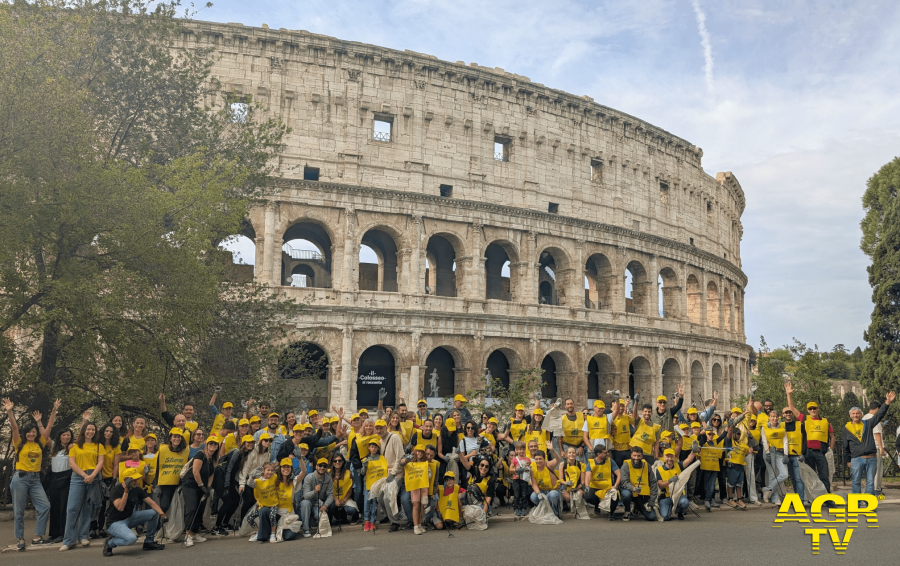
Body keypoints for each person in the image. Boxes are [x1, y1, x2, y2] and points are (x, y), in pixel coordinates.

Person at [4, 398, 56, 550]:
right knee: (18, 511)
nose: (31, 434)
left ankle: (38, 536)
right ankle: (20, 539)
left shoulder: (41, 442)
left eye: (33, 432)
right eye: (29, 432)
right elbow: (14, 428)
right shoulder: (19, 443)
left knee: (45, 506)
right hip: (20, 478)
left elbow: (50, 426)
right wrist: (9, 411)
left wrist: (53, 410)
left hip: (35, 479)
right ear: (25, 433)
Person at [102, 468, 167, 556]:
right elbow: (120, 507)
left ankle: (149, 542)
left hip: (130, 518)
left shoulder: (137, 489)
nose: (137, 481)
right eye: (135, 479)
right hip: (115, 523)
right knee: (131, 539)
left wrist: (162, 514)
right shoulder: (116, 490)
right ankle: (110, 543)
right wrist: (126, 491)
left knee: (154, 513)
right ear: (127, 480)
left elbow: (151, 503)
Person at [843, 391, 896, 494]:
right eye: (853, 413)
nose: (855, 415)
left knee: (870, 482)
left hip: (871, 458)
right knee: (855, 482)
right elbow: (845, 446)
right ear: (850, 415)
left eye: (857, 413)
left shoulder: (868, 423)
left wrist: (887, 402)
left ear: (861, 414)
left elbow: (879, 415)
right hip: (856, 459)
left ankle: (869, 504)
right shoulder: (846, 428)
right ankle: (856, 504)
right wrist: (848, 460)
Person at [213, 434, 257, 535]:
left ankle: (225, 523)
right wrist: (227, 485)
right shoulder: (237, 452)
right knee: (227, 501)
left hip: (229, 479)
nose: (250, 444)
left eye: (252, 442)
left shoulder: (247, 454)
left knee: (236, 501)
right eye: (248, 442)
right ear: (243, 443)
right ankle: (216, 526)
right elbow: (229, 468)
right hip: (221, 476)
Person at [182, 435, 219, 547]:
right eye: (211, 443)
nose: (212, 446)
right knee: (192, 509)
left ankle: (194, 533)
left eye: (215, 444)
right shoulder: (200, 454)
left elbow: (211, 474)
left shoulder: (213, 458)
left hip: (202, 487)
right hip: (191, 485)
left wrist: (208, 487)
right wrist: (202, 486)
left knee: (200, 510)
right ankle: (187, 535)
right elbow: (195, 472)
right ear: (207, 444)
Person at [92, 422, 121, 539]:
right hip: (96, 477)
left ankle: (101, 527)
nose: (108, 433)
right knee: (95, 503)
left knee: (104, 505)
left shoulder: (116, 447)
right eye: (106, 431)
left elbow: (116, 465)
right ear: (102, 432)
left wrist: (114, 479)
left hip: (109, 478)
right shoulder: (97, 445)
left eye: (111, 432)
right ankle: (92, 528)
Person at [152, 429, 189, 513]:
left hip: (179, 483)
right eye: (175, 436)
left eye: (179, 437)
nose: (177, 439)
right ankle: (158, 524)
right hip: (165, 483)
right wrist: (157, 484)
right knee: (164, 506)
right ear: (170, 438)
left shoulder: (185, 450)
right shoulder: (162, 449)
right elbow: (157, 466)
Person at [48, 426, 74, 543]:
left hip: (67, 478)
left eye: (68, 435)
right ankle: (54, 533)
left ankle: (63, 533)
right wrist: (39, 422)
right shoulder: (54, 447)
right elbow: (45, 435)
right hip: (54, 478)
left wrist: (84, 421)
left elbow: (81, 437)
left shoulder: (72, 448)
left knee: (64, 507)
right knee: (54, 506)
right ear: (59, 437)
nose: (66, 437)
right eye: (64, 435)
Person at [619, 446, 659, 521]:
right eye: (634, 455)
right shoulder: (626, 465)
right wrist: (633, 488)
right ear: (631, 455)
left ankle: (637, 507)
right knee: (626, 494)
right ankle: (627, 510)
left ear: (642, 456)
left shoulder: (647, 465)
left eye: (638, 456)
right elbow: (624, 482)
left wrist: (652, 500)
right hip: (630, 491)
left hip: (643, 495)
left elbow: (653, 482)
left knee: (652, 517)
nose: (636, 458)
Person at [299, 457, 335, 538]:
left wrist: (325, 505)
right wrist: (314, 491)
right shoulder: (309, 477)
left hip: (318, 503)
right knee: (305, 503)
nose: (322, 468)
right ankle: (305, 529)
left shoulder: (328, 478)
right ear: (316, 466)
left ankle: (313, 521)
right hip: (308, 501)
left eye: (324, 466)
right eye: (320, 465)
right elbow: (305, 496)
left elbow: (330, 495)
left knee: (321, 518)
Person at [584, 445, 621, 520]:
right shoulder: (590, 463)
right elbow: (587, 476)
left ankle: (611, 513)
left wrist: (615, 486)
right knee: (588, 497)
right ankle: (597, 505)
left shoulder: (610, 461)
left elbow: (619, 474)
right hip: (595, 488)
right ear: (598, 454)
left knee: (615, 495)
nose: (607, 454)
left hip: (608, 488)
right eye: (605, 452)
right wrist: (587, 486)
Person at [760, 410, 789, 504]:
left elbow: (785, 440)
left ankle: (767, 489)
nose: (774, 418)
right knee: (772, 475)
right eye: (772, 416)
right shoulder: (764, 427)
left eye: (776, 416)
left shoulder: (782, 426)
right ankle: (775, 498)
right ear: (769, 417)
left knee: (784, 474)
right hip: (770, 451)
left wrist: (786, 454)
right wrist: (767, 453)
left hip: (780, 452)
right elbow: (764, 441)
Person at [656, 448, 691, 520]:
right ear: (664, 457)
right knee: (665, 517)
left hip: (678, 495)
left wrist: (693, 452)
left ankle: (679, 511)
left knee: (684, 502)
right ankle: (667, 508)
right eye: (667, 456)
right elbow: (660, 485)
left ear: (674, 457)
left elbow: (688, 460)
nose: (669, 459)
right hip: (666, 496)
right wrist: (669, 481)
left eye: (671, 456)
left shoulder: (679, 465)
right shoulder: (659, 469)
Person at [361, 438, 387, 532]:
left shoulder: (381, 458)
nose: (373, 449)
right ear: (369, 447)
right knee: (367, 502)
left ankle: (373, 521)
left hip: (377, 484)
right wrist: (364, 466)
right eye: (372, 447)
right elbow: (362, 473)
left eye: (375, 447)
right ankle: (366, 521)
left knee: (375, 503)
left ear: (378, 448)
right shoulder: (365, 459)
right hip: (367, 484)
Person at [862, 401, 886, 494]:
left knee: (870, 470)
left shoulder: (864, 418)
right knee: (877, 469)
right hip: (875, 447)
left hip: (866, 447)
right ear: (877, 409)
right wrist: (881, 448)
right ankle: (876, 488)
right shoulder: (874, 418)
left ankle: (871, 488)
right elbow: (877, 433)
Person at [698, 426, 724, 512]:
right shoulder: (703, 442)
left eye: (712, 434)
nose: (711, 436)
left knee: (712, 485)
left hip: (715, 467)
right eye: (709, 434)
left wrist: (728, 428)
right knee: (706, 484)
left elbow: (723, 435)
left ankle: (708, 500)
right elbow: (700, 440)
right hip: (706, 467)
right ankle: (707, 500)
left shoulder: (715, 441)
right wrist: (701, 434)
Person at [529, 449, 561, 518]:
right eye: (536, 459)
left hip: (551, 490)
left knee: (553, 495)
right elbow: (534, 483)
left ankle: (554, 513)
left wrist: (553, 450)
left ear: (544, 458)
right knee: (533, 496)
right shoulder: (532, 468)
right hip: (541, 491)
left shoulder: (549, 465)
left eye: (540, 459)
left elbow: (558, 459)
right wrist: (538, 493)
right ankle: (544, 510)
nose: (538, 461)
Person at [329, 453, 359, 525]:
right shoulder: (328, 474)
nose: (337, 462)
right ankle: (331, 520)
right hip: (333, 499)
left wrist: (344, 500)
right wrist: (336, 499)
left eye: (339, 460)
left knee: (352, 510)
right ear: (332, 462)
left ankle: (355, 517)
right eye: (335, 461)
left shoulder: (348, 473)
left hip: (345, 499)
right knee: (331, 506)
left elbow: (349, 490)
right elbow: (328, 491)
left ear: (343, 461)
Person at [630, 398, 661, 464]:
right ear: (642, 412)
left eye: (649, 411)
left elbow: (656, 443)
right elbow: (634, 414)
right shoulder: (639, 422)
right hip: (636, 453)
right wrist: (636, 402)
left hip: (648, 454)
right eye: (645, 411)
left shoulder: (656, 427)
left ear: (651, 413)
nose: (647, 413)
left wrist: (656, 457)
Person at [557, 446, 585, 511]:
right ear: (566, 454)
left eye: (573, 453)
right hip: (565, 486)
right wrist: (567, 483)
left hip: (576, 486)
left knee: (580, 493)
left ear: (576, 454)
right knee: (568, 498)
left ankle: (577, 506)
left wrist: (577, 487)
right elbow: (560, 479)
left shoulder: (581, 465)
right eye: (569, 453)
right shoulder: (562, 464)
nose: (571, 454)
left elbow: (582, 482)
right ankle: (566, 504)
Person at [558, 398, 586, 462]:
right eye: (568, 404)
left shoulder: (582, 416)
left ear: (574, 405)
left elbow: (586, 433)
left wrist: (582, 446)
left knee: (580, 465)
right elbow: (559, 436)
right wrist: (561, 450)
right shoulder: (562, 419)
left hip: (579, 446)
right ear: (565, 406)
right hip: (566, 446)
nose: (570, 405)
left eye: (571, 404)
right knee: (567, 466)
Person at [509, 441, 532, 516]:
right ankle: (516, 508)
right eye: (519, 449)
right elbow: (510, 469)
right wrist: (516, 470)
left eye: (523, 449)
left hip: (524, 479)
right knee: (516, 494)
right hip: (516, 479)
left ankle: (523, 508)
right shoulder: (515, 459)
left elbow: (530, 469)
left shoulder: (528, 459)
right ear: (516, 450)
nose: (521, 451)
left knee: (524, 494)